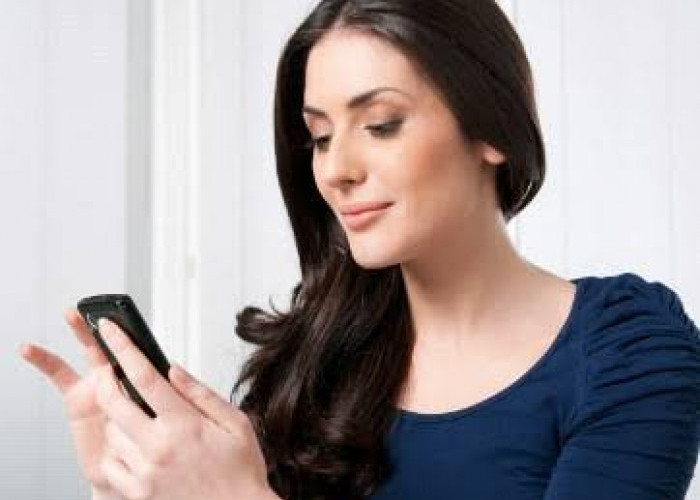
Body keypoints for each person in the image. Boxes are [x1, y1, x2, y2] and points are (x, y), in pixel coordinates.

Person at [20, 0, 700, 499]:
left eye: (381, 123)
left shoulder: (630, 348)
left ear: (491, 128)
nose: (336, 169)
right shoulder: (312, 364)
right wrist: (127, 485)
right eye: (319, 136)